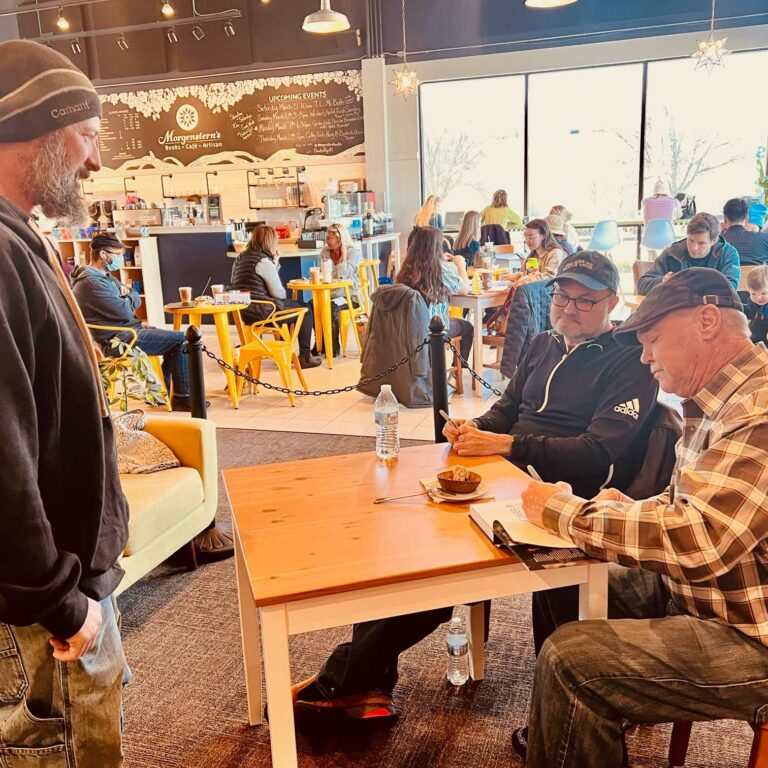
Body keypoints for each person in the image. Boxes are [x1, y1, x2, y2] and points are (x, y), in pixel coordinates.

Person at [290, 252, 659, 721]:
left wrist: (507, 443)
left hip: (569, 497)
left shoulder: (631, 360)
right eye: (562, 296)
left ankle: (349, 682)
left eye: (585, 301)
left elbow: (595, 452)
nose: (569, 307)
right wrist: (473, 427)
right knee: (415, 543)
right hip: (511, 480)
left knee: (440, 567)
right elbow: (506, 409)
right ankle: (365, 681)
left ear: (613, 303)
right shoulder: (545, 343)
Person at [517, 267, 768, 768]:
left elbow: (702, 541)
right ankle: (575, 726)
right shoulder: (720, 403)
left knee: (574, 662)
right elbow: (695, 507)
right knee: (563, 575)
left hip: (751, 632)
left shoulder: (758, 414)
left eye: (652, 340)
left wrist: (568, 513)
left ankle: (580, 709)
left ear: (707, 321)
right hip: (719, 595)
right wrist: (628, 508)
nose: (645, 356)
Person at [0, 39, 130, 764]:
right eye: (87, 135)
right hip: (49, 593)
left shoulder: (21, 237)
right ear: (42, 131)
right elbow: (2, 452)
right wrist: (59, 599)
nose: (95, 161)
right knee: (69, 742)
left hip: (65, 575)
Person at [73, 231, 199, 411]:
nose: (120, 258)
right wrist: (129, 295)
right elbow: (125, 310)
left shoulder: (103, 277)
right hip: (119, 339)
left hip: (127, 331)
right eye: (117, 254)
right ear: (103, 254)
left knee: (177, 341)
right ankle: (181, 397)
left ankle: (160, 393)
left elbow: (130, 301)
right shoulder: (92, 282)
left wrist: (128, 295)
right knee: (184, 339)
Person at [230, 224, 321, 368]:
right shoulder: (263, 261)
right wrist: (274, 263)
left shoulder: (240, 258)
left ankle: (286, 350)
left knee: (293, 307)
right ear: (271, 242)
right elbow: (279, 293)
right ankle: (305, 357)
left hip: (244, 311)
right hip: (264, 311)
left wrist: (275, 263)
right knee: (305, 309)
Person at [397, 226, 473, 362]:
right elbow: (465, 289)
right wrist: (460, 265)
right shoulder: (441, 268)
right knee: (467, 327)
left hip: (409, 327)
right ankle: (458, 372)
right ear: (437, 247)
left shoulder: (406, 268)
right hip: (434, 329)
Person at [637, 212, 740, 295]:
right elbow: (642, 284)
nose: (694, 248)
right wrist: (663, 282)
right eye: (690, 240)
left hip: (713, 311)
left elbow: (730, 288)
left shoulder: (727, 254)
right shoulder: (672, 253)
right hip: (677, 313)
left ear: (714, 241)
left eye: (701, 243)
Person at [318, 222, 362, 355]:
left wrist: (343, 258)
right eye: (327, 237)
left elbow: (344, 276)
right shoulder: (325, 252)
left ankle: (333, 346)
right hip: (330, 294)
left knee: (332, 306)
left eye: (329, 238)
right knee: (312, 305)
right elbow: (323, 274)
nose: (326, 241)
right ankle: (320, 343)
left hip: (348, 297)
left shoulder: (353, 252)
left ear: (339, 239)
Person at [504, 218, 563, 284]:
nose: (527, 241)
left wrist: (521, 282)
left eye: (531, 237)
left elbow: (549, 277)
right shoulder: (533, 253)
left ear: (544, 235)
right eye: (525, 237)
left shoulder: (555, 253)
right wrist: (514, 276)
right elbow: (524, 273)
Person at [720, 197, 768, 266]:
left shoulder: (715, 243)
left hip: (726, 277)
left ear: (725, 220)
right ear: (746, 219)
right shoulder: (765, 239)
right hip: (757, 276)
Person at [744, 264, 768, 344]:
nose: (758, 298)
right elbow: (749, 311)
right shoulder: (752, 303)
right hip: (755, 338)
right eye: (753, 294)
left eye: (764, 293)